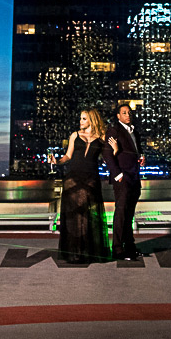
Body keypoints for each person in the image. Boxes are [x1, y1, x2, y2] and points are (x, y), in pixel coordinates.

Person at [49, 109, 109, 263]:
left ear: (92, 120)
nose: (81, 121)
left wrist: (115, 150)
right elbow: (68, 156)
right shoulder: (75, 135)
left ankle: (89, 252)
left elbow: (110, 157)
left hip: (91, 179)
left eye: (84, 118)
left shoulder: (102, 137)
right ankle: (74, 252)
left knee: (89, 216)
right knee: (74, 216)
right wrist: (57, 161)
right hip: (73, 178)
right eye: (80, 118)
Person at [103, 104, 145, 261]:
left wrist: (142, 157)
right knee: (121, 213)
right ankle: (118, 249)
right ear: (118, 116)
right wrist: (117, 174)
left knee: (129, 214)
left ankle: (130, 247)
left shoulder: (134, 131)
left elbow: (137, 151)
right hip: (123, 177)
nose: (128, 115)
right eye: (124, 113)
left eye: (129, 112)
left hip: (134, 176)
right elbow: (107, 154)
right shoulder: (114, 130)